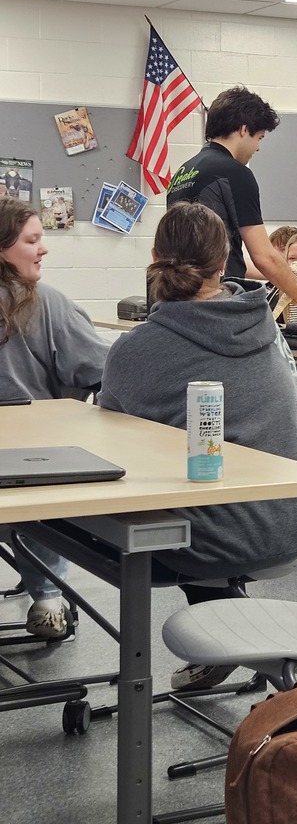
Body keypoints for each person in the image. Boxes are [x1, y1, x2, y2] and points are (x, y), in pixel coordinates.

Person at [97, 202, 297, 687]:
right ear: (226, 264)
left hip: (220, 532)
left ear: (154, 256)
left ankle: (231, 632)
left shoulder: (138, 349)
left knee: (93, 512)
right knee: (191, 479)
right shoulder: (265, 323)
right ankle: (225, 631)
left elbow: (108, 423)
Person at [0, 196, 111, 639]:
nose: (42, 249)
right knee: (46, 496)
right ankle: (47, 599)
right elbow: (102, 371)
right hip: (33, 463)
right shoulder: (47, 303)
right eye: (32, 240)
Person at [166, 86, 297, 308]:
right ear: (244, 130)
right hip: (216, 299)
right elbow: (264, 256)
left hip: (175, 296)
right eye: (259, 138)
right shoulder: (234, 172)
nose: (258, 148)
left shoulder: (183, 171)